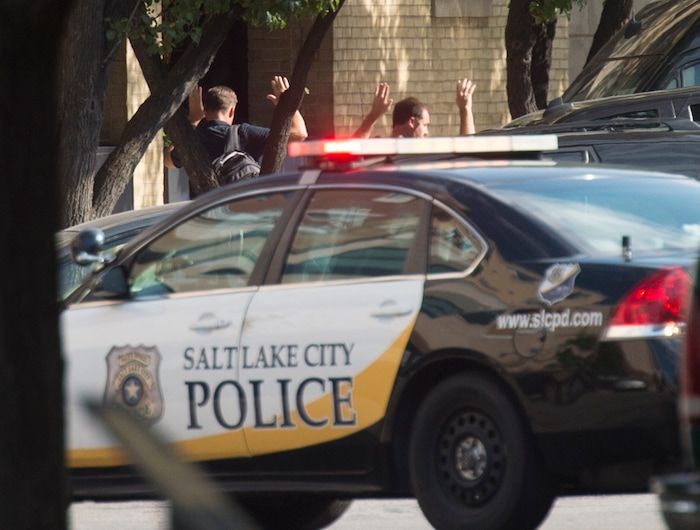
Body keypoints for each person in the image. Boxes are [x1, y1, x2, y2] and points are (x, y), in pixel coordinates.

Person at [164, 75, 308, 169]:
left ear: (205, 110)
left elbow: (168, 161)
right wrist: (286, 105)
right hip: (243, 208)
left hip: (207, 209)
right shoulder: (244, 134)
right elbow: (299, 134)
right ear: (232, 111)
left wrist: (193, 122)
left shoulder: (195, 139)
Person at [352, 77, 476, 138]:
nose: (427, 133)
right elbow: (352, 153)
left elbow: (467, 153)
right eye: (425, 125)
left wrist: (465, 109)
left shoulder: (426, 154)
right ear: (412, 121)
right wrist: (373, 115)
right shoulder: (381, 150)